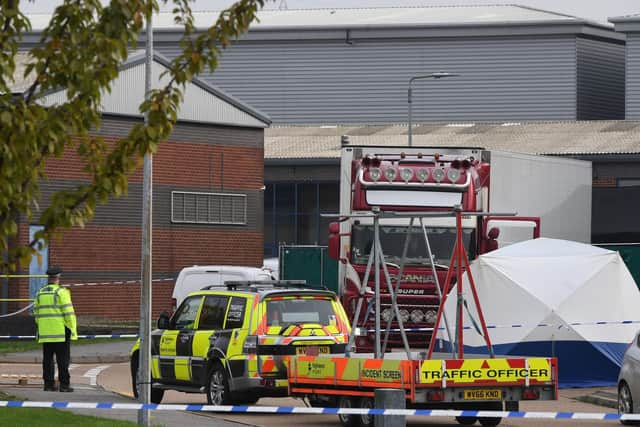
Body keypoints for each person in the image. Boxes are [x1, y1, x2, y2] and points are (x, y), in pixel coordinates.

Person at [34, 267, 77, 392]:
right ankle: (64, 385)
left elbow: (36, 313)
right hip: (60, 332)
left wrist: (41, 327)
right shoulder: (62, 292)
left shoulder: (40, 292)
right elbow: (69, 313)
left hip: (45, 333)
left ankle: (48, 384)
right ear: (58, 278)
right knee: (62, 360)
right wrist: (72, 329)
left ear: (49, 278)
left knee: (47, 359)